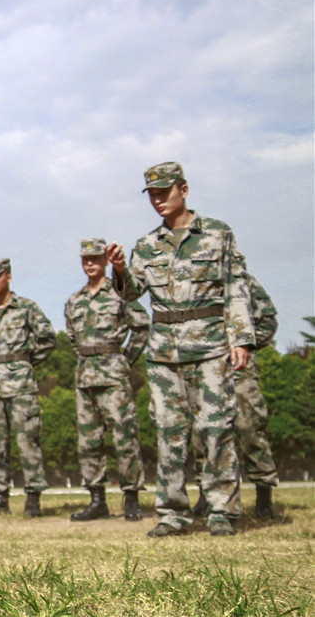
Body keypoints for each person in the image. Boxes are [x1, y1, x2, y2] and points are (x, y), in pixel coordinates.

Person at [107, 161, 254, 538]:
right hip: (163, 353)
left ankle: (221, 511)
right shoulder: (146, 244)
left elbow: (237, 287)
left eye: (164, 191)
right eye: (152, 194)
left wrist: (241, 339)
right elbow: (131, 294)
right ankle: (172, 513)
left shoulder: (218, 234)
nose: (158, 200)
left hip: (209, 346)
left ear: (183, 190)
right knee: (169, 432)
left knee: (215, 428)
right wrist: (120, 270)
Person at [63, 239, 149, 522]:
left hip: (113, 377)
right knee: (89, 442)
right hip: (85, 377)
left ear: (106, 261)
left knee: (124, 437)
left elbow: (141, 327)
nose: (90, 263)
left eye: (96, 258)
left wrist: (126, 359)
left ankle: (132, 499)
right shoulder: (74, 300)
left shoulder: (120, 294)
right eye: (85, 259)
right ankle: (97, 500)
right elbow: (72, 337)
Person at [191, 271, 280, 520]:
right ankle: (206, 496)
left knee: (250, 429)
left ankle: (264, 497)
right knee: (202, 435)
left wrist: (244, 346)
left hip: (240, 370)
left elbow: (268, 321)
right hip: (203, 370)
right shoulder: (191, 284)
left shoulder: (243, 281)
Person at [0, 259, 56, 517]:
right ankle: (0, 498)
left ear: (8, 277)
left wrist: (26, 363)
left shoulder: (27, 308)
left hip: (21, 387)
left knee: (27, 441)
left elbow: (48, 339)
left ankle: (33, 498)